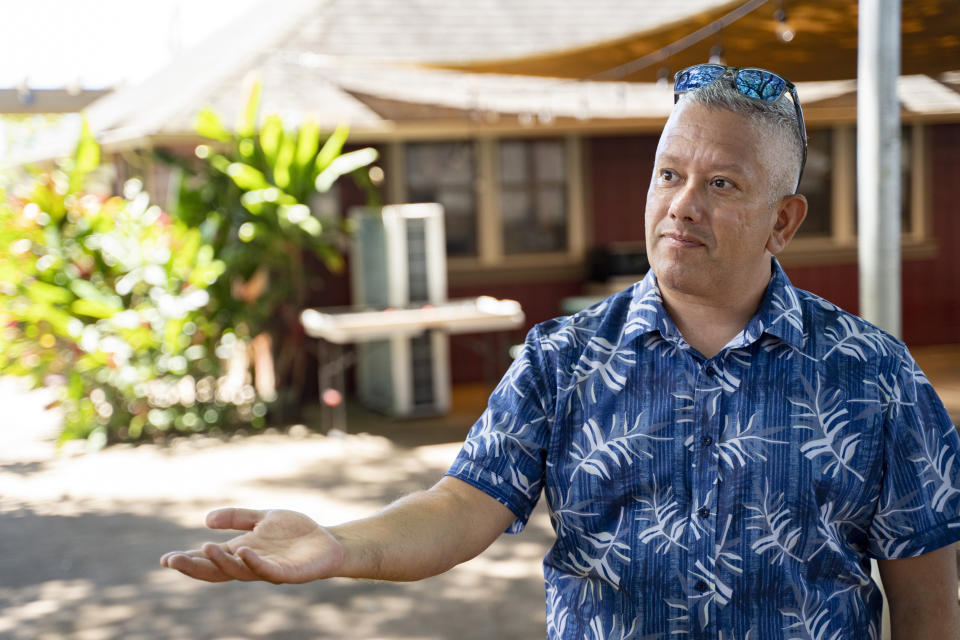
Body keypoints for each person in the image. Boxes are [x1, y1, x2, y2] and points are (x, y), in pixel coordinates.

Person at [161, 64, 960, 639]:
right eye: (669, 173)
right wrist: (340, 547)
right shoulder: (562, 360)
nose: (681, 205)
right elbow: (459, 506)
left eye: (722, 185)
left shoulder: (876, 378)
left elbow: (926, 602)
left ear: (784, 221)